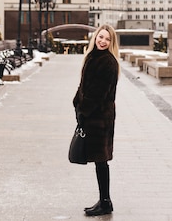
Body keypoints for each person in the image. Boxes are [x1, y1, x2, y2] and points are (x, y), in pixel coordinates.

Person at [72, 24, 120, 216]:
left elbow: (99, 93)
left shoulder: (108, 62)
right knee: (99, 160)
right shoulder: (92, 57)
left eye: (107, 39)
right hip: (92, 115)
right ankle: (104, 200)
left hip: (100, 117)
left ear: (111, 43)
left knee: (101, 160)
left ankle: (106, 202)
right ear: (95, 38)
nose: (103, 41)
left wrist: (83, 110)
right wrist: (76, 103)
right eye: (101, 37)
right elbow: (83, 86)